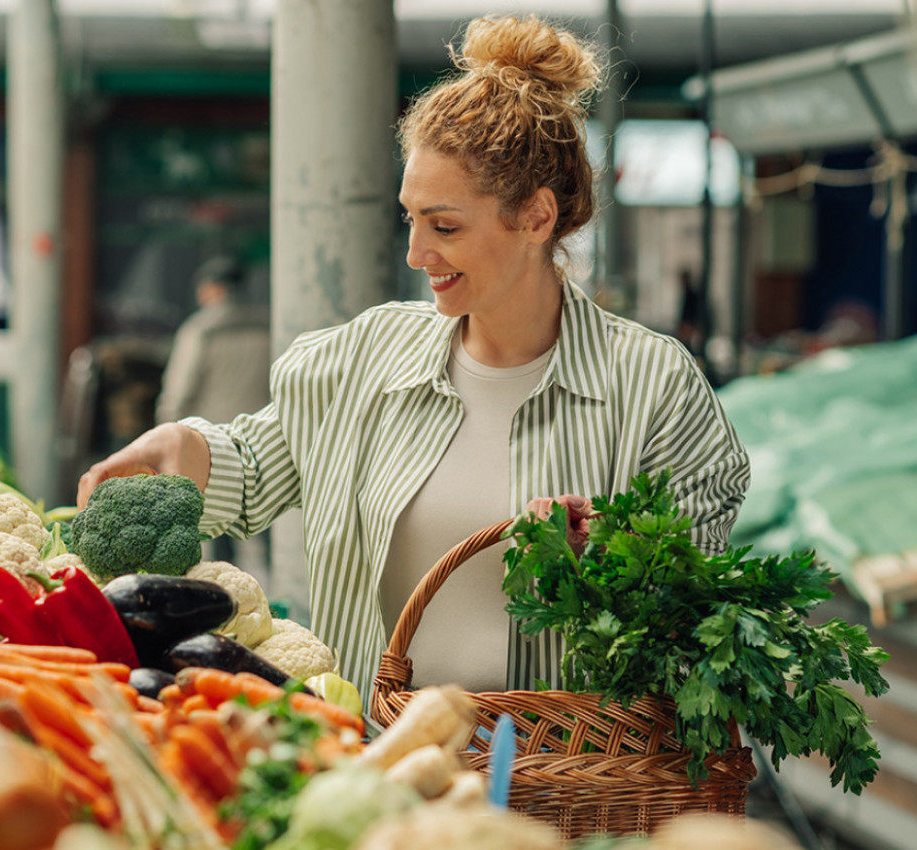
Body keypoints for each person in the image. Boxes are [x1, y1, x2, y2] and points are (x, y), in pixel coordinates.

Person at [78, 14, 750, 701]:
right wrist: (183, 447)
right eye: (410, 217)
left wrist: (615, 553)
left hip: (566, 787)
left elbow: (707, 609)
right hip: (377, 765)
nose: (416, 254)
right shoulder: (361, 359)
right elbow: (253, 467)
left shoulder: (654, 388)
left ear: (536, 218)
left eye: (445, 226)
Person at [155, 255, 273, 575]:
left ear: (211, 289)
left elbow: (178, 391)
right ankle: (274, 590)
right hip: (264, 439)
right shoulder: (269, 326)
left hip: (214, 442)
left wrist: (166, 432)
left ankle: (229, 593)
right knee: (266, 522)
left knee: (221, 526)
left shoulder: (200, 330)